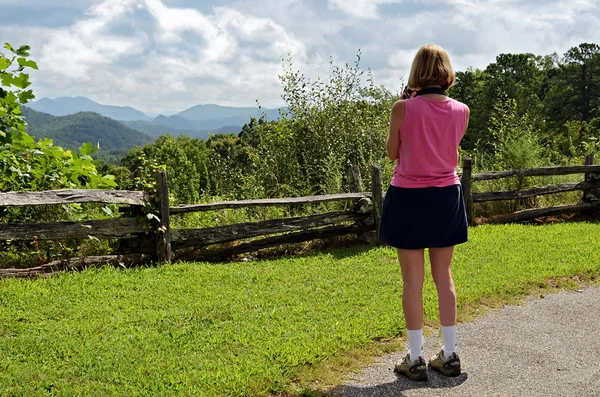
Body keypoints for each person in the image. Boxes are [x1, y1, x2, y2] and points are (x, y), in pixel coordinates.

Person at [380, 44, 470, 381]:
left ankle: (415, 358)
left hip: (409, 197)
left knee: (412, 281)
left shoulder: (402, 107)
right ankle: (449, 355)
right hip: (447, 196)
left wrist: (408, 103)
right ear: (446, 72)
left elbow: (392, 153)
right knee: (443, 277)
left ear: (417, 72)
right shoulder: (462, 110)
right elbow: (449, 148)